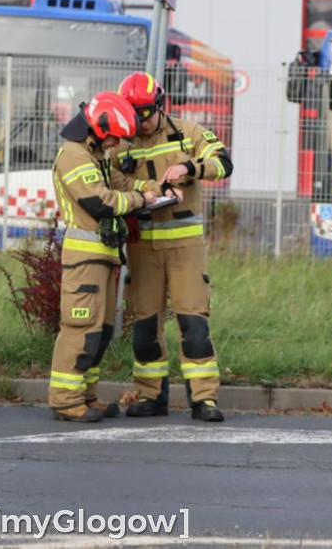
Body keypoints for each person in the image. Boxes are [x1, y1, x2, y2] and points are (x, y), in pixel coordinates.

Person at [49, 91, 179, 422]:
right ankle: (65, 399)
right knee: (80, 328)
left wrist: (153, 190)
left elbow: (120, 183)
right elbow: (101, 201)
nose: (115, 146)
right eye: (114, 138)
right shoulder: (74, 156)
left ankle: (86, 396)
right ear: (99, 126)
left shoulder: (96, 154)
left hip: (103, 255)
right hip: (84, 259)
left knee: (100, 331)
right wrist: (141, 201)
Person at [114, 71, 233, 422]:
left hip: (184, 246)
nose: (142, 121)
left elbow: (223, 162)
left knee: (193, 323)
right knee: (144, 326)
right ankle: (151, 396)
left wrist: (191, 167)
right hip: (142, 246)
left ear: (160, 105)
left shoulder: (188, 132)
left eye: (147, 112)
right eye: (135, 114)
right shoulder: (122, 142)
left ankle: (204, 399)